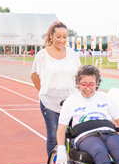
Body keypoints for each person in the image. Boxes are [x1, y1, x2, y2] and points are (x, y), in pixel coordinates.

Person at [31, 21, 81, 156]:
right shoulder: (42, 55)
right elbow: (34, 76)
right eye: (58, 36)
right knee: (53, 136)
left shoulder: (72, 54)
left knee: (71, 136)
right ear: (51, 36)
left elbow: (79, 75)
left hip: (70, 102)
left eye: (65, 37)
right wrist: (45, 92)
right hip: (49, 104)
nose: (62, 40)